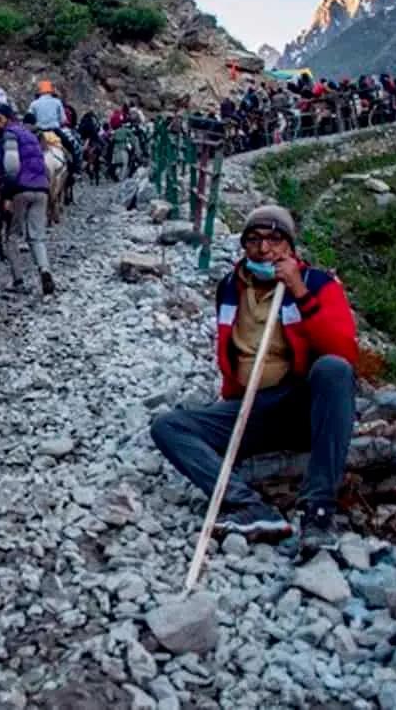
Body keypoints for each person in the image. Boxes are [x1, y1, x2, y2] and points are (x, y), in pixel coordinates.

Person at [149, 205, 358, 556]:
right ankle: (248, 506)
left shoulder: (317, 284)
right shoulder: (230, 287)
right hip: (252, 408)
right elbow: (232, 356)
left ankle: (318, 511)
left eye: (275, 240)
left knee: (333, 369)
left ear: (290, 247)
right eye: (255, 240)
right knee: (168, 426)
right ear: (244, 245)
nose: (264, 250)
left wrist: (298, 292)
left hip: (300, 405)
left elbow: (342, 351)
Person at [0, 105, 54, 296]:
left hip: (21, 190)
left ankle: (18, 280)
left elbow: (11, 166)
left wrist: (7, 194)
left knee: (12, 236)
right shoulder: (31, 135)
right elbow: (44, 166)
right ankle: (45, 271)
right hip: (41, 189)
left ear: (7, 119)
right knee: (37, 236)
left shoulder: (10, 134)